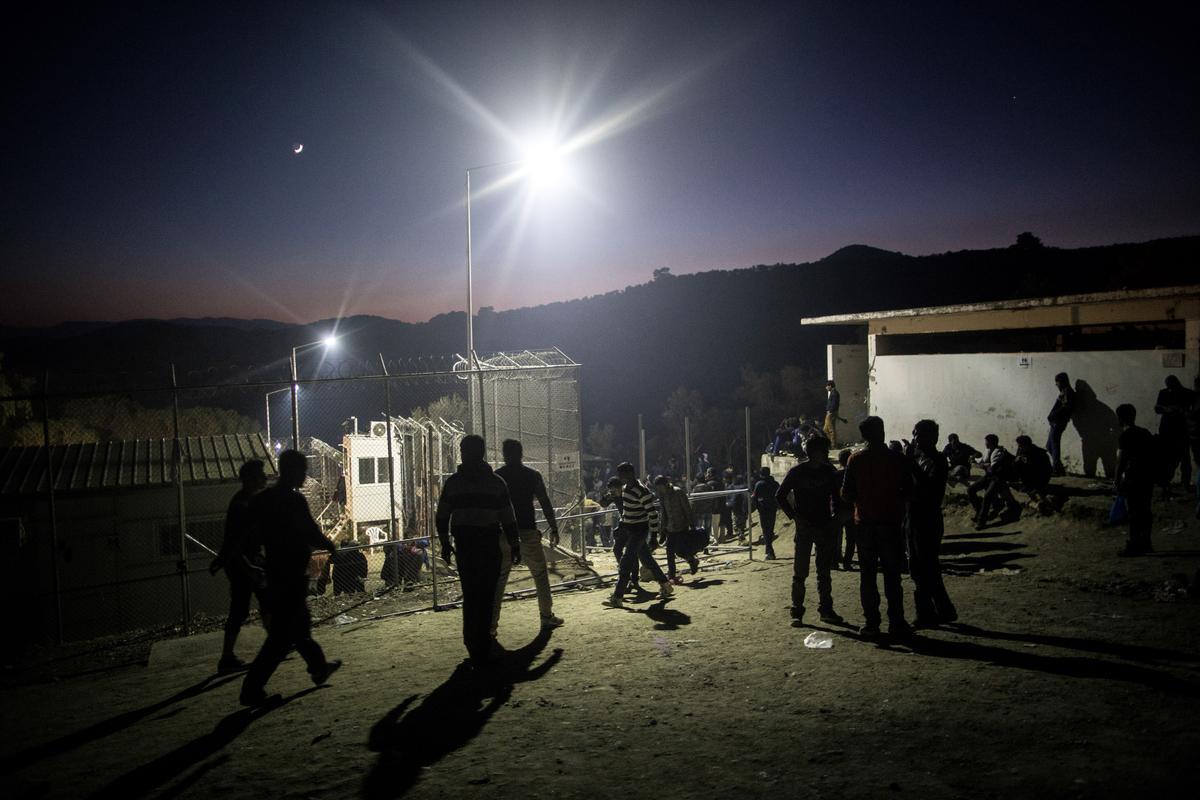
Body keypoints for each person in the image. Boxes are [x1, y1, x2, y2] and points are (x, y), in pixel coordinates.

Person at [240, 450, 341, 705]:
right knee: (283, 636)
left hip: (277, 572)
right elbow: (310, 532)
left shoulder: (263, 500)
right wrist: (330, 546)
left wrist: (252, 560)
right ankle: (252, 689)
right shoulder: (293, 500)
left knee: (298, 626)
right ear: (294, 472)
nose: (305, 476)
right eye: (303, 471)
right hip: (291, 574)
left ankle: (319, 668)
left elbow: (249, 535)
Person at [435, 435, 521, 667]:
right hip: (489, 544)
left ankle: (472, 643)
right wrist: (514, 545)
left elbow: (442, 516)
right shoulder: (495, 483)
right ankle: (483, 644)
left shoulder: (454, 483)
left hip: (466, 545)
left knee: (471, 595)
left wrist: (445, 543)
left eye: (464, 450)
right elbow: (508, 517)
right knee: (486, 596)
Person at [841, 416, 911, 638]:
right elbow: (908, 490)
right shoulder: (896, 459)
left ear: (863, 435)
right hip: (890, 523)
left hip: (865, 524)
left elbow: (846, 493)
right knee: (892, 576)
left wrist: (862, 499)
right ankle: (897, 622)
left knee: (868, 576)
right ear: (882, 431)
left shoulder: (855, 459)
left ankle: (871, 623)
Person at [494, 439, 564, 633]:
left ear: (504, 455)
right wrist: (554, 528)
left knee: (500, 579)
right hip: (527, 530)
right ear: (521, 453)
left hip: (504, 532)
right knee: (540, 574)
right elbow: (545, 502)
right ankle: (546, 616)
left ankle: (491, 626)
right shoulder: (532, 475)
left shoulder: (497, 476)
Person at [776, 437, 844, 626]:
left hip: (817, 526)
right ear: (817, 452)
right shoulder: (817, 472)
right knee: (806, 572)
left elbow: (836, 498)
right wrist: (795, 516)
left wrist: (795, 516)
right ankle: (806, 610)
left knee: (817, 572)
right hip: (811, 526)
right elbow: (780, 495)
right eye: (824, 450)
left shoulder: (811, 471)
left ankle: (810, 610)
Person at [210, 459, 269, 674]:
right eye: (260, 474)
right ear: (251, 479)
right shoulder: (242, 506)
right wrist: (249, 567)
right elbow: (235, 543)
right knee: (241, 609)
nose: (264, 478)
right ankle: (227, 657)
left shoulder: (245, 501)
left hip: (246, 562)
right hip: (242, 564)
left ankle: (275, 643)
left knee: (262, 602)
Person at [904, 420, 957, 628]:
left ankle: (927, 612)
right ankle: (943, 609)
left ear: (932, 438)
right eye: (914, 434)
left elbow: (928, 489)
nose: (915, 438)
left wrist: (910, 464)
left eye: (919, 434)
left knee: (925, 567)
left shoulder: (938, 460)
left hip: (927, 518)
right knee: (919, 567)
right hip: (913, 516)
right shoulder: (920, 458)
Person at [603, 462, 672, 607]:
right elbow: (627, 512)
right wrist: (622, 525)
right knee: (647, 560)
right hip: (631, 530)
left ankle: (617, 597)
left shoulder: (641, 491)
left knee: (625, 563)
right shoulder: (626, 489)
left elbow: (653, 514)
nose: (620, 477)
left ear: (630, 473)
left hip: (639, 531)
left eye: (622, 474)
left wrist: (654, 537)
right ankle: (665, 585)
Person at [1114, 404, 1155, 556]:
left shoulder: (1125, 436)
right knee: (1145, 510)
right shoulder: (1145, 432)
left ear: (1121, 418)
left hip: (1133, 477)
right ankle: (1146, 542)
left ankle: (1134, 545)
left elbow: (1120, 461)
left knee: (1134, 512)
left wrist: (1116, 480)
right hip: (1147, 477)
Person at [654, 474, 701, 583]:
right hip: (670, 528)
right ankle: (672, 575)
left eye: (660, 486)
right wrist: (662, 529)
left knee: (680, 551)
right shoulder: (662, 496)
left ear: (665, 484)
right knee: (669, 552)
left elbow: (687, 508)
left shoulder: (678, 492)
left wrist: (692, 524)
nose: (659, 489)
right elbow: (664, 513)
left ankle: (692, 561)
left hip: (682, 526)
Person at [967, 434, 1020, 530]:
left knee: (987, 496)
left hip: (997, 478)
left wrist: (982, 465)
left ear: (991, 442)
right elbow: (983, 463)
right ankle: (979, 512)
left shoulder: (999, 452)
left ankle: (981, 522)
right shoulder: (988, 451)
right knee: (971, 490)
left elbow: (992, 468)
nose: (985, 443)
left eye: (986, 442)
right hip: (989, 476)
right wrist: (975, 461)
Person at [1155, 375, 1195, 494]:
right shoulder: (1164, 392)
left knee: (1183, 458)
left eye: (1171, 386)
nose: (1169, 388)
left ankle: (1183, 483)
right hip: (1168, 430)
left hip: (1180, 430)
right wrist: (1167, 409)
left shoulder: (1187, 393)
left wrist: (1181, 410)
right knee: (1169, 458)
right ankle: (1167, 482)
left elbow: (1192, 410)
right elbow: (1157, 409)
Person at [1047, 372, 1076, 476]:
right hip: (1056, 421)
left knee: (1054, 445)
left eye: (1057, 382)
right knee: (1049, 446)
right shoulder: (1064, 391)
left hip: (1058, 422)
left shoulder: (1067, 392)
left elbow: (1066, 407)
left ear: (1062, 382)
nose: (1056, 384)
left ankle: (1056, 469)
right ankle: (1059, 467)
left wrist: (1053, 415)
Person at [1012, 435, 1053, 502]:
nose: (1019, 448)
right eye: (1019, 446)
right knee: (1017, 465)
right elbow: (1015, 464)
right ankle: (1028, 485)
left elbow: (1046, 471)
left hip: (1041, 477)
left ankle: (1036, 488)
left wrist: (1028, 462)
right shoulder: (1021, 450)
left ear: (1027, 445)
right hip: (1029, 477)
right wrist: (1017, 461)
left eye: (1021, 446)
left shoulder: (1039, 453)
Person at [752, 466, 780, 559]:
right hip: (772, 509)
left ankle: (770, 551)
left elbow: (754, 497)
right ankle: (768, 550)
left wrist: (757, 507)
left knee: (765, 530)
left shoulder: (759, 484)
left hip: (763, 509)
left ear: (761, 474)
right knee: (770, 529)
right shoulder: (775, 484)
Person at [834, 449, 856, 569]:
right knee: (851, 538)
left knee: (836, 537)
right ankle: (847, 561)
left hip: (838, 509)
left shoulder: (835, 475)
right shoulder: (854, 475)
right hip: (851, 509)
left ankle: (836, 560)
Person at [823, 380, 842, 446]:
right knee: (825, 429)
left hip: (831, 413)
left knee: (831, 429)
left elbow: (834, 403)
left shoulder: (834, 393)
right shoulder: (833, 392)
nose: (826, 388)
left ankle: (833, 444)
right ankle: (830, 442)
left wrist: (830, 411)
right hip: (830, 412)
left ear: (830, 386)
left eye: (827, 386)